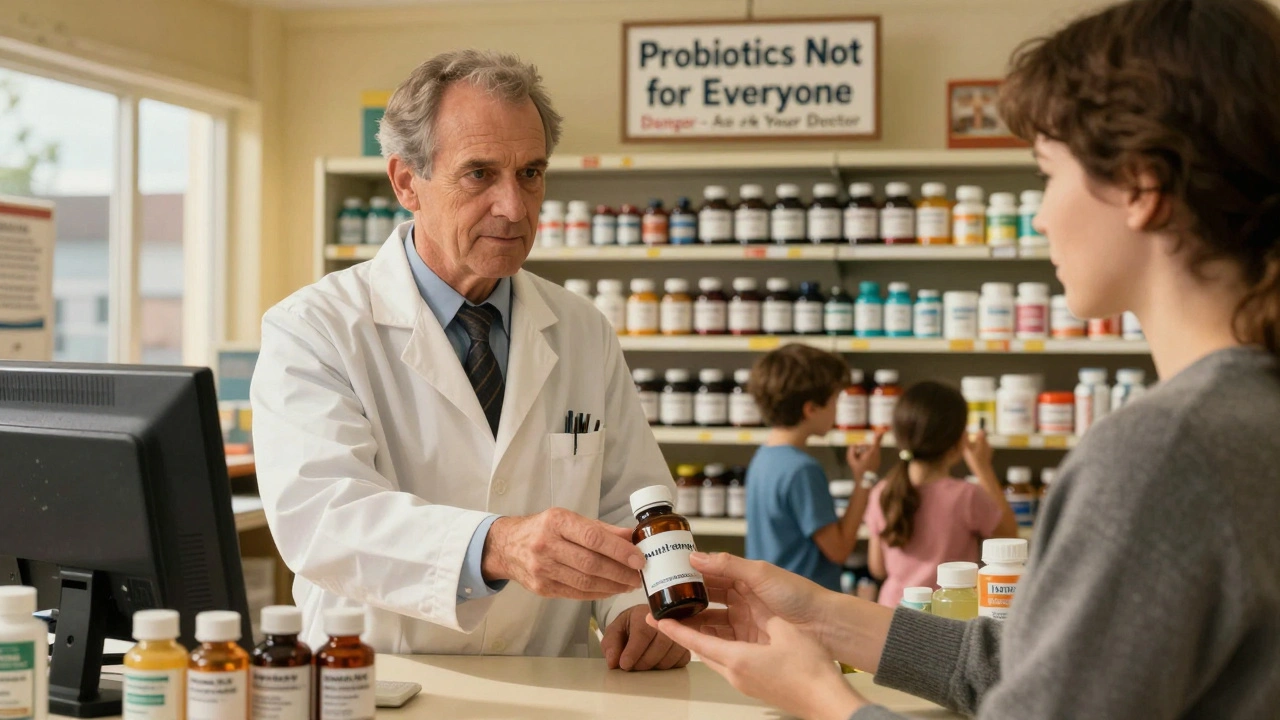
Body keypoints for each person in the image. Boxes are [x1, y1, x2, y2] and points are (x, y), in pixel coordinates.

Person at [649, 0, 1280, 716]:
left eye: (1047, 172)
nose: (1040, 215)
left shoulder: (1162, 451)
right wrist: (823, 616)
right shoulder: (1249, 408)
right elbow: (1049, 664)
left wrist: (820, 698)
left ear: (1140, 185)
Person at [250, 50, 689, 671]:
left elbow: (633, 501)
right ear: (407, 183)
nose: (514, 207)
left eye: (530, 173)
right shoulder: (315, 328)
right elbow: (321, 517)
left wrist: (638, 604)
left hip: (551, 683)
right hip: (383, 681)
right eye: (479, 174)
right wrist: (496, 545)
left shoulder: (582, 329)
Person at [743, 345, 884, 592]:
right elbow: (839, 550)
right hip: (803, 606)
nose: (836, 410)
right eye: (834, 401)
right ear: (811, 409)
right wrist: (865, 478)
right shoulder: (802, 470)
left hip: (771, 597)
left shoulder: (763, 457)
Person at [864, 382, 1017, 607]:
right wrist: (982, 468)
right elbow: (1009, 536)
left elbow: (877, 568)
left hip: (894, 616)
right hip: (949, 616)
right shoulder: (967, 496)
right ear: (957, 443)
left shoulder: (881, 492)